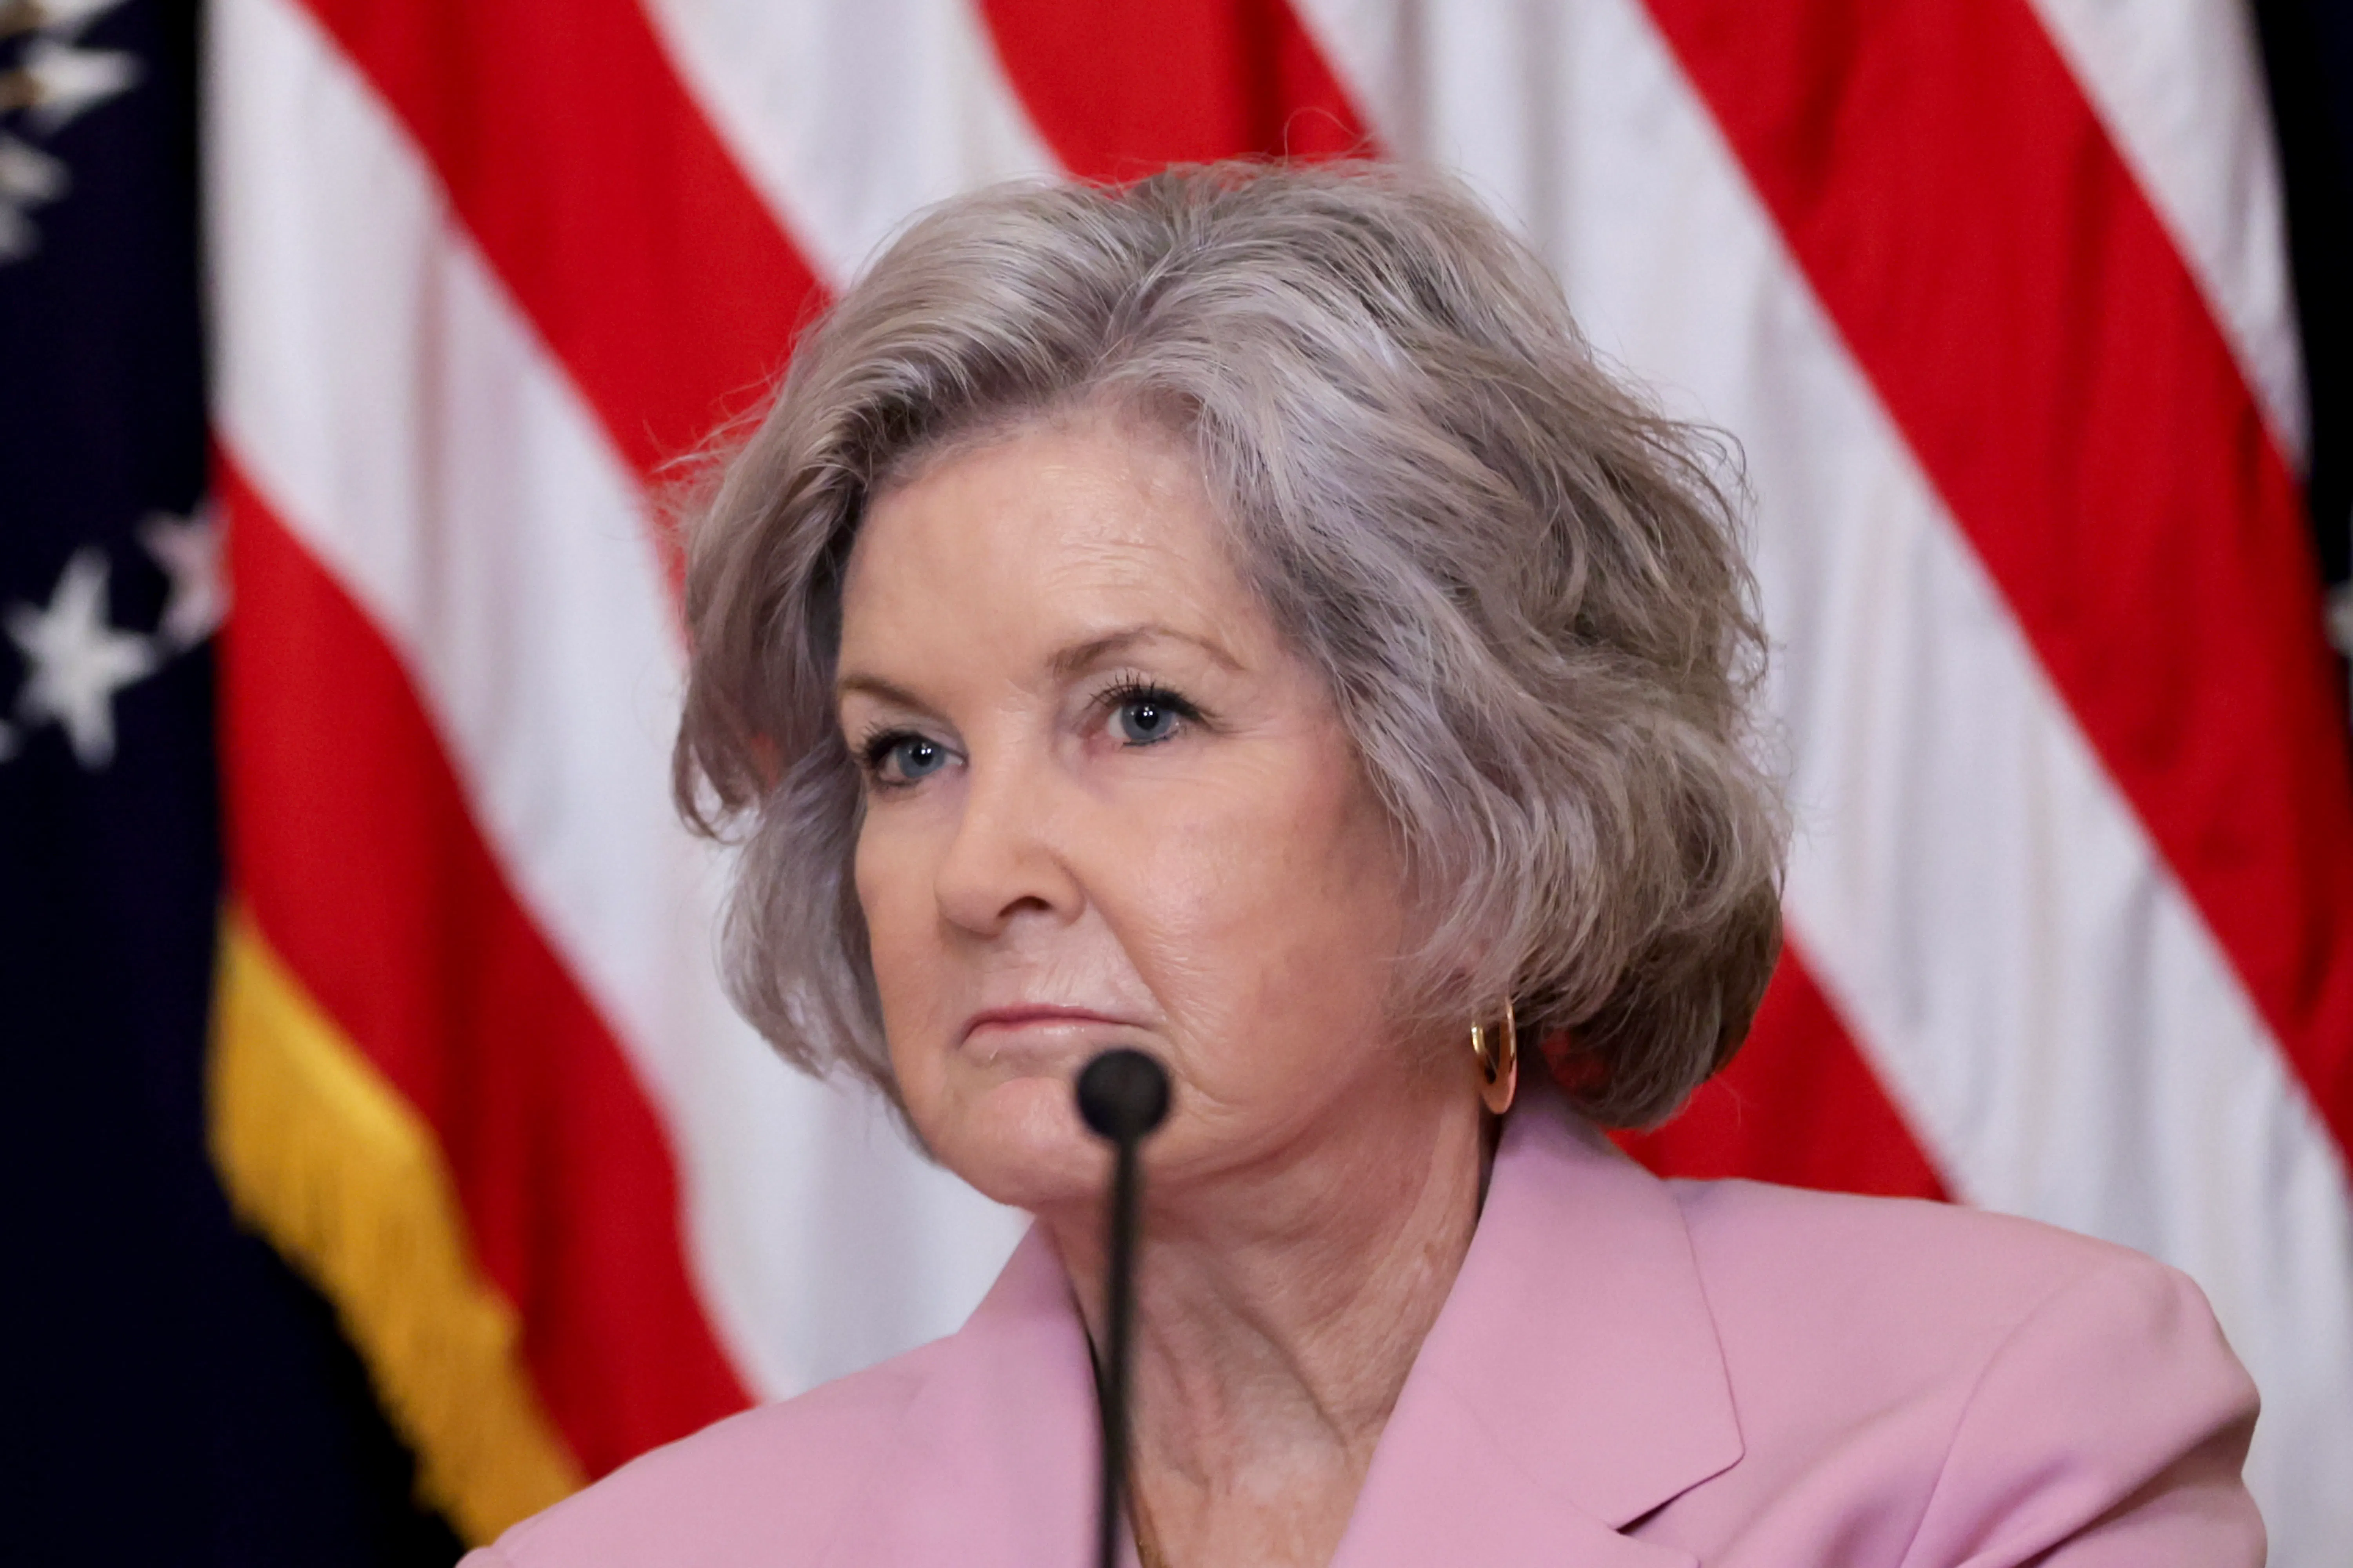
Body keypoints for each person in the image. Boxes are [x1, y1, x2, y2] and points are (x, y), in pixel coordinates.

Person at [462, 162, 2261, 1567]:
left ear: (1477, 778)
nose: (975, 869)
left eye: (1142, 714)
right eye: (909, 756)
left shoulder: (1998, 1433)